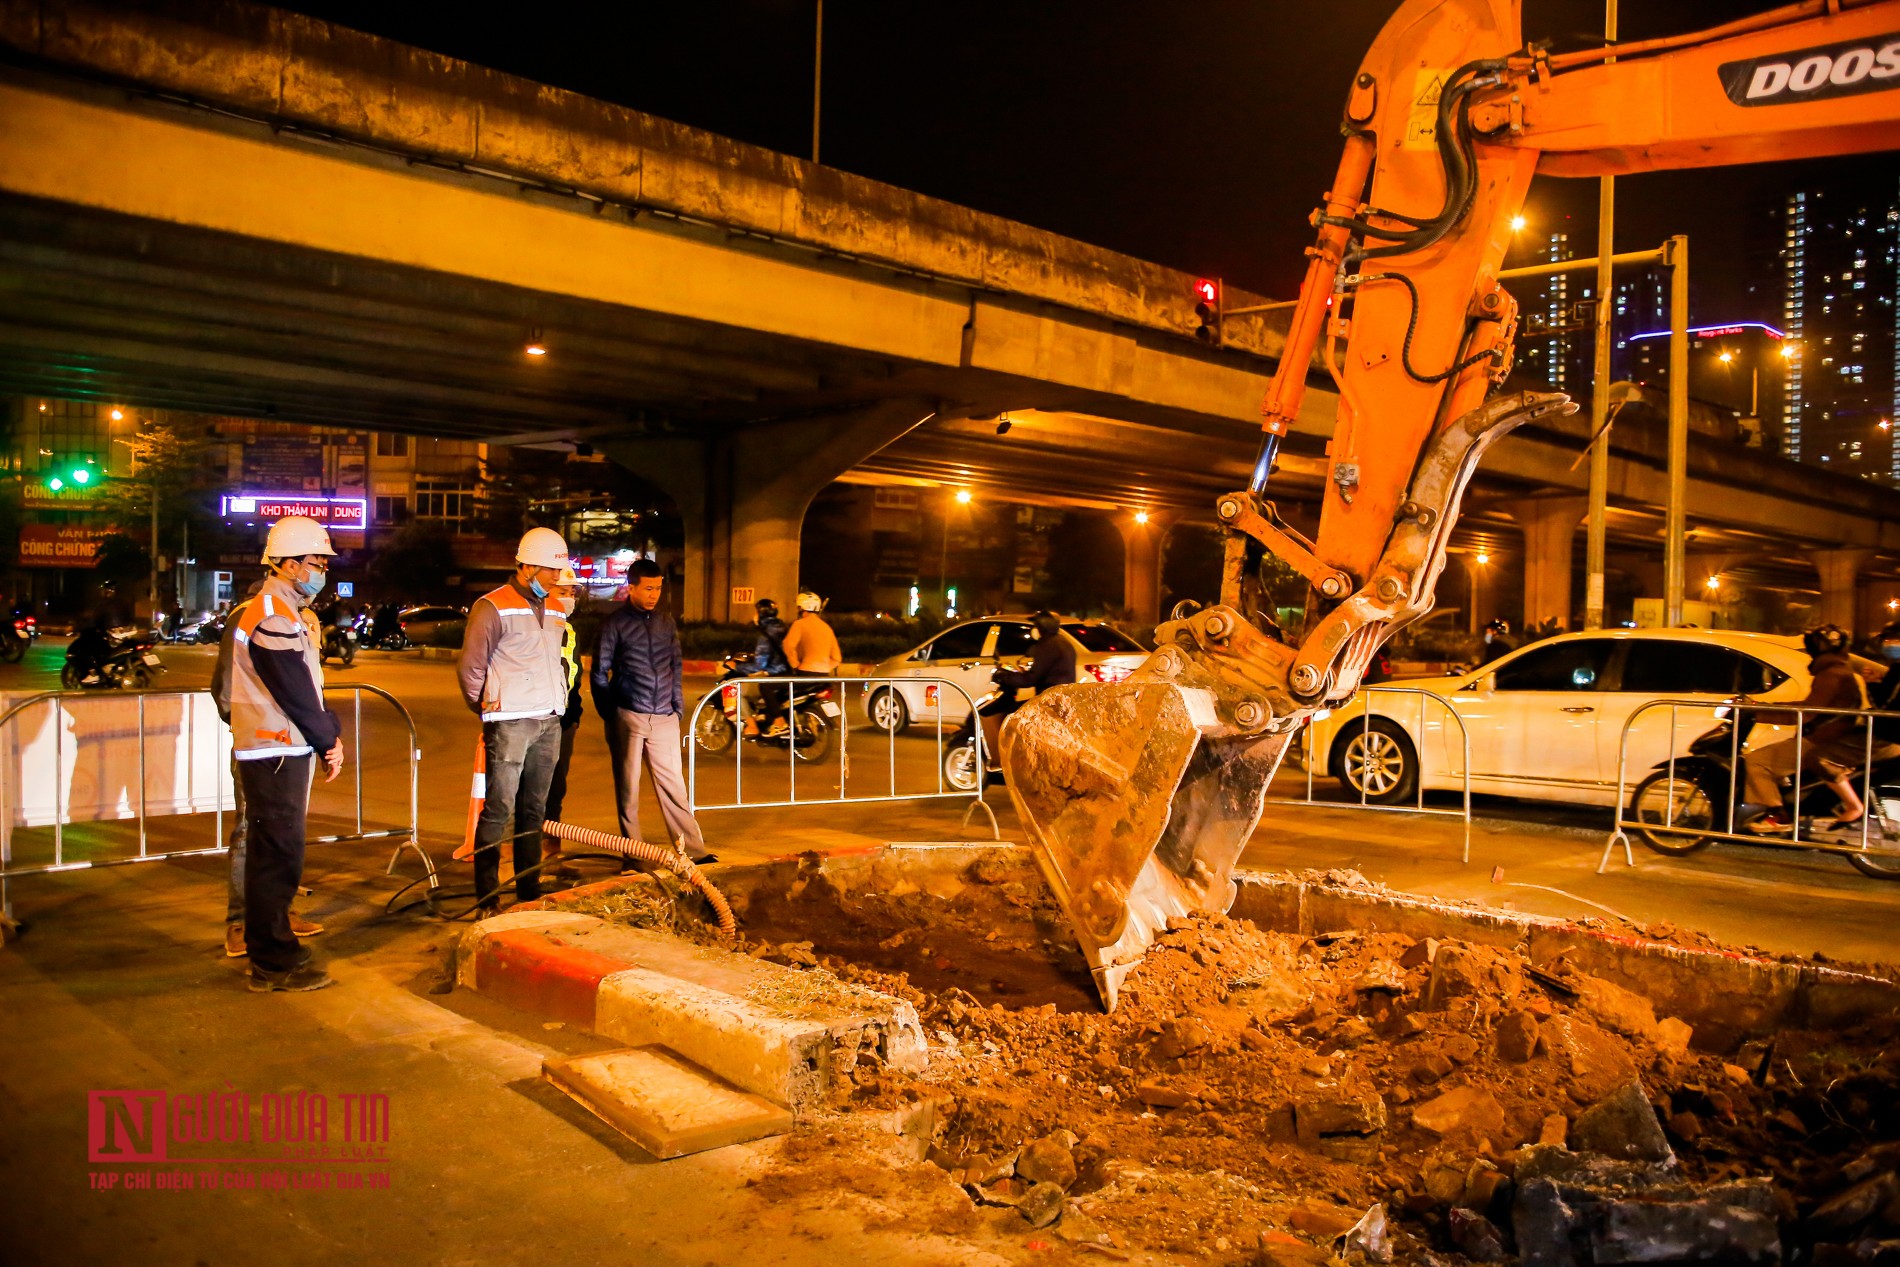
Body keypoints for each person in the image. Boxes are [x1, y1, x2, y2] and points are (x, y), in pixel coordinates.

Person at [225, 515, 344, 991]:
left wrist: (323, 730)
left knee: (275, 853)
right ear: (290, 564)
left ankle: (272, 950)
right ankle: (273, 961)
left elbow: (308, 686)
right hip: (273, 748)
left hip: (277, 745)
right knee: (278, 855)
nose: (322, 571)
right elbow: (293, 690)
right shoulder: (272, 612)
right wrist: (328, 739)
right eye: (316, 562)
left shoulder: (281, 609)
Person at [457, 527, 572, 913]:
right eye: (550, 571)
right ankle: (488, 898)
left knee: (534, 811)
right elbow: (471, 668)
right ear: (526, 568)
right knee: (498, 810)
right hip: (509, 722)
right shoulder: (492, 606)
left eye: (559, 571)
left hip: (548, 720)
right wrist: (489, 709)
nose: (558, 578)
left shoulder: (555, 607)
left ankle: (528, 891)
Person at [210, 575, 324, 958]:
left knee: (284, 835)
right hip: (263, 745)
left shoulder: (300, 618)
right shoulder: (251, 617)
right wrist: (248, 725)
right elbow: (225, 686)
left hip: (294, 742)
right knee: (252, 831)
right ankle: (241, 921)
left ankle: (276, 914)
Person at [592, 558, 711, 867]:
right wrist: (612, 713)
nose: (654, 594)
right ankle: (634, 856)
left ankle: (694, 852)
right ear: (630, 587)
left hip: (664, 717)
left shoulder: (665, 622)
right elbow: (599, 672)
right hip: (628, 715)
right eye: (647, 588)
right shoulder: (614, 624)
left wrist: (677, 707)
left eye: (658, 588)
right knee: (628, 790)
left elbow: (675, 663)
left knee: (674, 787)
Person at [1741, 624, 1895, 833]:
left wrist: (1757, 712)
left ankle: (1778, 815)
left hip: (1825, 737)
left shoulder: (1831, 674)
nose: (1889, 645)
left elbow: (1809, 711)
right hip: (1837, 734)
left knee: (1757, 761)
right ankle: (1792, 806)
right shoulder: (1841, 670)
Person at [539, 568, 587, 884]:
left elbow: (575, 674)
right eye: (563, 592)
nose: (569, 598)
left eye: (572, 593)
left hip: (565, 722)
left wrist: (575, 712)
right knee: (532, 793)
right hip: (539, 721)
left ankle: (551, 859)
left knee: (556, 790)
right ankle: (525, 862)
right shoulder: (537, 627)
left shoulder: (570, 630)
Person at [978, 610, 1076, 759]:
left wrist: (1004, 677)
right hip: (1059, 700)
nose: (1034, 629)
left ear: (1043, 626)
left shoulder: (1048, 645)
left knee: (1011, 716)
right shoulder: (1063, 643)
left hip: (1048, 702)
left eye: (1036, 625)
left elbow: (1030, 679)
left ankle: (1011, 757)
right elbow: (1043, 670)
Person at [742, 596, 790, 739]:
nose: (754, 615)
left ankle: (753, 726)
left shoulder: (765, 634)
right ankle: (764, 716)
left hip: (776, 673)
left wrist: (738, 667)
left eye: (756, 612)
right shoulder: (782, 627)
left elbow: (759, 665)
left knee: (740, 691)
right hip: (788, 671)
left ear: (761, 613)